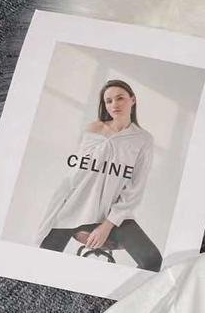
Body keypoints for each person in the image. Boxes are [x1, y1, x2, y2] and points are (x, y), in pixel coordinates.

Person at [37, 79, 162, 271]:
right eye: (109, 101)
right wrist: (59, 210)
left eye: (120, 98)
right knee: (43, 260)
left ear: (133, 100)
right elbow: (75, 176)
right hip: (75, 207)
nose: (114, 104)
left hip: (114, 215)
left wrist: (106, 226)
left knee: (152, 260)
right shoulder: (92, 129)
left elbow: (135, 189)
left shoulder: (143, 140)